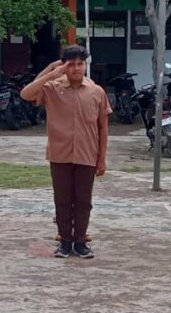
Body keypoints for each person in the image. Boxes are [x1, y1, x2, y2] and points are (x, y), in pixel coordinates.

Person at [21, 45, 111, 259]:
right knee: (62, 199)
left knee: (83, 200)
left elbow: (103, 128)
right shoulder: (53, 88)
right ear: (64, 66)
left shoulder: (96, 92)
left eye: (80, 64)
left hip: (87, 154)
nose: (76, 68)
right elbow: (26, 94)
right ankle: (65, 241)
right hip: (60, 154)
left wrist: (102, 159)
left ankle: (80, 241)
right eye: (71, 64)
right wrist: (52, 72)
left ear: (85, 65)